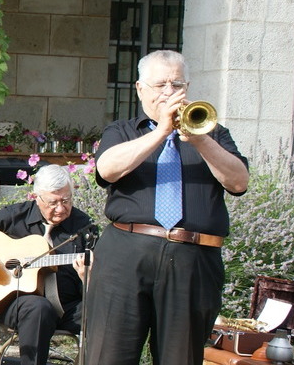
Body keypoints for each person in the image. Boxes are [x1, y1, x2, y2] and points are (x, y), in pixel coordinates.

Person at [84, 49, 249, 364]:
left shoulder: (212, 133)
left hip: (192, 259)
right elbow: (107, 170)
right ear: (140, 89)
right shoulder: (122, 131)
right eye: (161, 85)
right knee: (109, 354)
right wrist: (161, 131)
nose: (169, 93)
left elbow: (239, 182)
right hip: (125, 254)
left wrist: (200, 140)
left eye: (177, 85)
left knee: (181, 358)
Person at [0, 164, 93, 365]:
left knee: (106, 311)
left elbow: (98, 280)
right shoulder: (16, 216)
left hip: (69, 307)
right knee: (39, 308)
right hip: (18, 304)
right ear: (37, 198)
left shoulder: (83, 225)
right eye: (53, 202)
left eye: (66, 200)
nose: (60, 208)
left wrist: (88, 277)